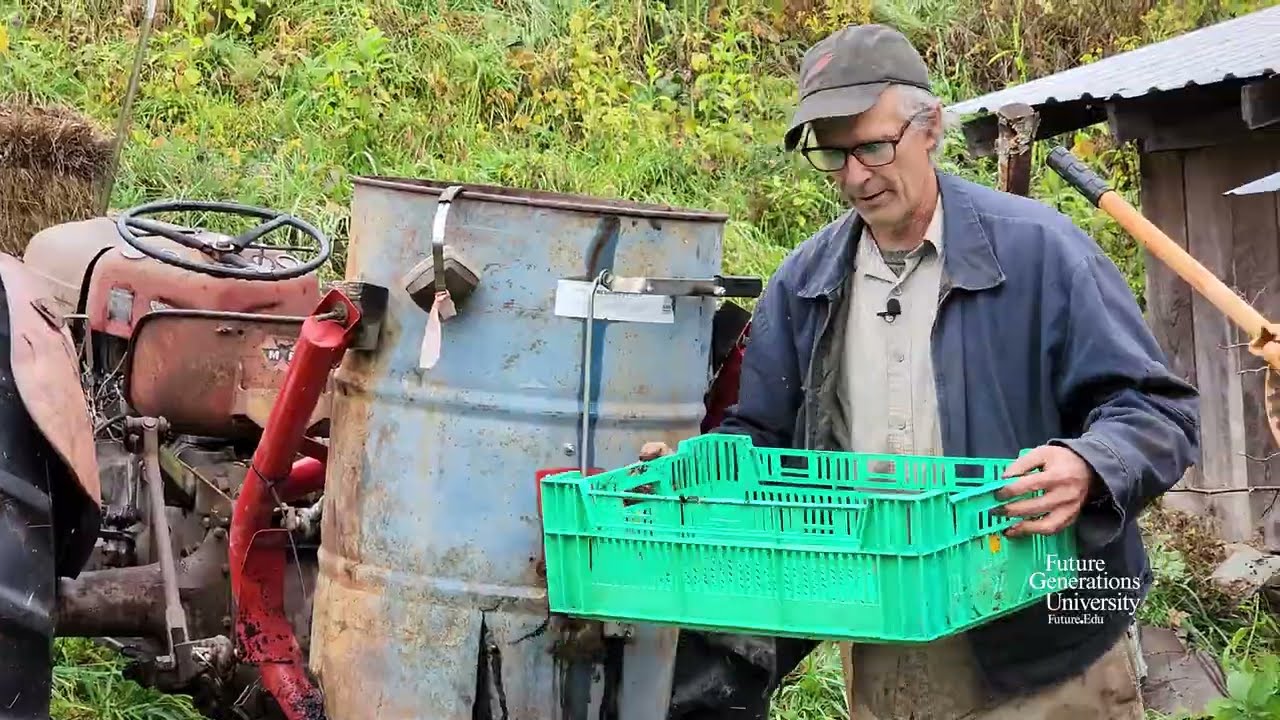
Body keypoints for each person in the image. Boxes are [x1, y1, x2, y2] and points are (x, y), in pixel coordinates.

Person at [645, 22, 1201, 720]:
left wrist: (1089, 463)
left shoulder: (1041, 253)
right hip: (886, 637)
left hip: (1047, 644)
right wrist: (700, 470)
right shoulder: (806, 282)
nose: (854, 176)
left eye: (874, 146)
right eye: (833, 154)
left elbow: (1157, 410)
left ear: (931, 127)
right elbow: (762, 439)